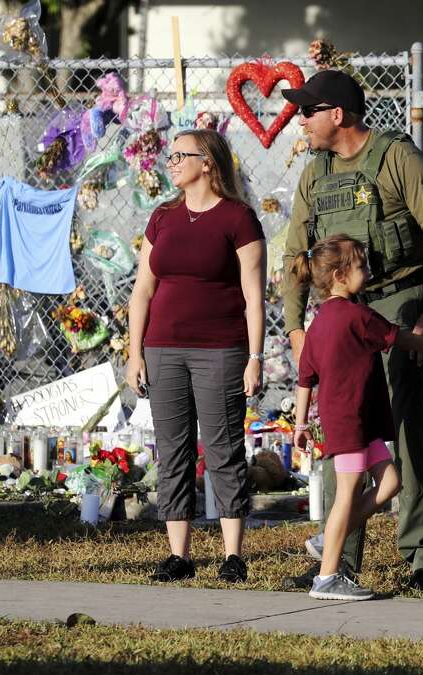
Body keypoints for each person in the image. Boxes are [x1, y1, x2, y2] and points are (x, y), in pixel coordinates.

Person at [280, 70, 423, 591]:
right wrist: (295, 329)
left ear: (338, 114)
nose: (301, 120)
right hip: (340, 317)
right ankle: (338, 562)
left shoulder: (396, 156)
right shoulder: (316, 172)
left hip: (401, 302)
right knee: (346, 436)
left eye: (307, 111)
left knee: (407, 430)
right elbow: (295, 255)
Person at [126, 128, 266, 584]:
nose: (171, 162)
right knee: (173, 452)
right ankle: (179, 556)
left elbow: (253, 294)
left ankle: (232, 555)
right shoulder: (162, 217)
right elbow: (142, 292)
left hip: (221, 350)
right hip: (162, 349)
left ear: (207, 162)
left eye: (179, 155)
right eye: (169, 156)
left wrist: (255, 356)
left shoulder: (239, 219)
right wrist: (135, 353)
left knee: (224, 449)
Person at [290, 236, 423, 600]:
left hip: (357, 421)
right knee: (347, 494)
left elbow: (305, 378)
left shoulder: (317, 325)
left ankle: (330, 536)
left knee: (390, 482)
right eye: (361, 266)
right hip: (350, 421)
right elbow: (400, 338)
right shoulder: (358, 317)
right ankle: (327, 578)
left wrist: (301, 425)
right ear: (339, 276)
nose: (369, 271)